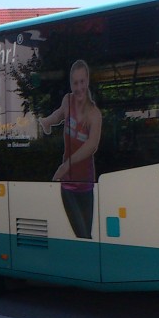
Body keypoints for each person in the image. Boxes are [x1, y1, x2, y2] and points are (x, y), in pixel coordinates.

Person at [40, 59, 102, 239]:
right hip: (68, 185)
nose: (79, 87)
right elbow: (58, 115)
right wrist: (45, 122)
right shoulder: (67, 100)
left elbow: (92, 145)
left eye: (82, 82)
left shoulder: (94, 114)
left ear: (87, 81)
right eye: (75, 83)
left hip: (87, 185)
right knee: (83, 236)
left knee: (86, 236)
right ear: (71, 84)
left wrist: (66, 165)